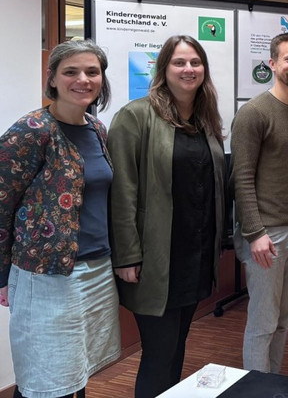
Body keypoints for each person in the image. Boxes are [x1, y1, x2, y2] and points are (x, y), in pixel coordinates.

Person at [0, 39, 121, 398]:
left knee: (75, 373)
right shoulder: (31, 131)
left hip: (96, 268)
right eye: (71, 72)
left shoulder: (97, 130)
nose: (82, 79)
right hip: (47, 275)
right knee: (44, 381)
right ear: (52, 78)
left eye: (92, 72)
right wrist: (2, 276)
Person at [108, 35, 227, 398]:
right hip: (156, 260)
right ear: (164, 69)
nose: (188, 69)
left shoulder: (205, 120)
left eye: (195, 62)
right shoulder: (135, 116)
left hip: (194, 256)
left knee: (177, 349)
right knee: (159, 355)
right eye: (179, 62)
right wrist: (127, 255)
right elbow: (122, 192)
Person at [230, 32, 288, 373]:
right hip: (267, 235)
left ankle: (273, 383)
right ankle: (256, 388)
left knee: (284, 319)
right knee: (263, 322)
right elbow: (242, 178)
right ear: (272, 64)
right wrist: (254, 233)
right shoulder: (254, 113)